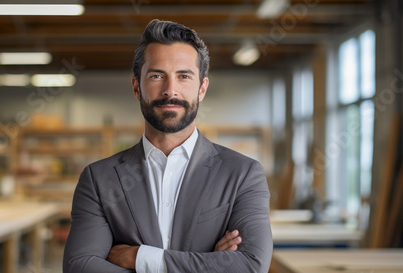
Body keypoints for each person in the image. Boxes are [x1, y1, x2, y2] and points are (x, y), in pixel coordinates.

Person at [63, 19, 273, 273]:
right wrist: (207, 263)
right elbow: (80, 267)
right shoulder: (98, 179)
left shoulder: (243, 174)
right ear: (137, 87)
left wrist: (142, 259)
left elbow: (251, 265)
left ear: (202, 88)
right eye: (156, 76)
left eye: (183, 76)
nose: (170, 90)